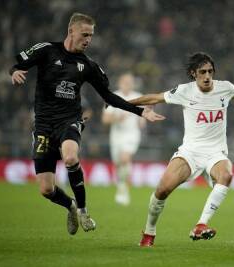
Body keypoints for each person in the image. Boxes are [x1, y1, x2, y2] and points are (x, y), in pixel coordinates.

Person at [9, 12, 164, 235]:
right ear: (71, 31)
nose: (88, 39)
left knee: (71, 157)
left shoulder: (88, 65)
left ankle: (83, 210)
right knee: (46, 189)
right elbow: (16, 65)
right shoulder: (46, 50)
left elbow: (109, 97)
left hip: (69, 120)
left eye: (91, 35)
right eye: (85, 34)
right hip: (43, 124)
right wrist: (14, 72)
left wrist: (140, 111)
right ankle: (70, 206)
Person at [129, 52, 234, 247]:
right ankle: (149, 233)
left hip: (216, 153)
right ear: (194, 74)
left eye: (210, 71)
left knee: (226, 175)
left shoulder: (224, 88)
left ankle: (201, 224)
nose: (207, 76)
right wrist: (124, 104)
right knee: (162, 190)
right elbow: (156, 97)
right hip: (190, 153)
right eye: (202, 72)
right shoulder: (185, 91)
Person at [102, 72, 146, 206]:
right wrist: (117, 118)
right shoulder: (112, 97)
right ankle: (122, 187)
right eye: (125, 82)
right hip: (116, 136)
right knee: (118, 164)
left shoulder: (138, 97)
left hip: (132, 134)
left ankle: (124, 189)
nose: (128, 84)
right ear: (120, 83)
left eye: (130, 82)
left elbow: (143, 116)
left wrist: (142, 121)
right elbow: (105, 119)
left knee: (125, 158)